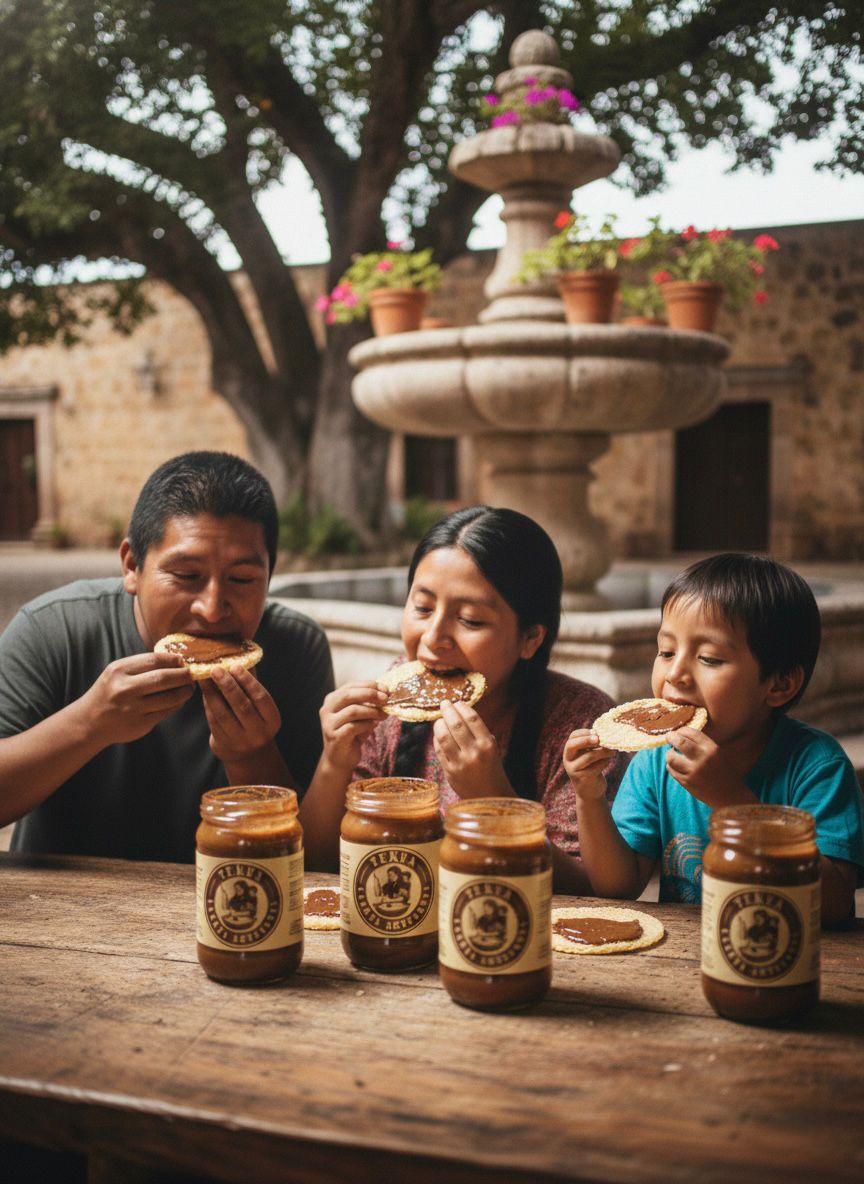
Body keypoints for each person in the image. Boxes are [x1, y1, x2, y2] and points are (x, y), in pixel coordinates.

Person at [0, 451, 334, 862]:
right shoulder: (55, 629)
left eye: (242, 579)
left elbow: (313, 857)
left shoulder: (296, 648)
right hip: (57, 899)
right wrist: (90, 724)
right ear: (131, 566)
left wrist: (251, 756)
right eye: (186, 576)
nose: (212, 608)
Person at [300, 505, 627, 892]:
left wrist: (493, 799)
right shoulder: (390, 705)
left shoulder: (580, 724)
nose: (433, 637)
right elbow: (318, 862)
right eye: (422, 608)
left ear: (529, 639)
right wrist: (334, 761)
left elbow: (590, 892)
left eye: (470, 619)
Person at [563, 553, 864, 925]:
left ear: (779, 684)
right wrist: (589, 796)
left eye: (708, 658)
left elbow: (833, 904)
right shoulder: (655, 763)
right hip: (687, 951)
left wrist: (732, 804)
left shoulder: (817, 766)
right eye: (666, 651)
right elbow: (617, 886)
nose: (675, 673)